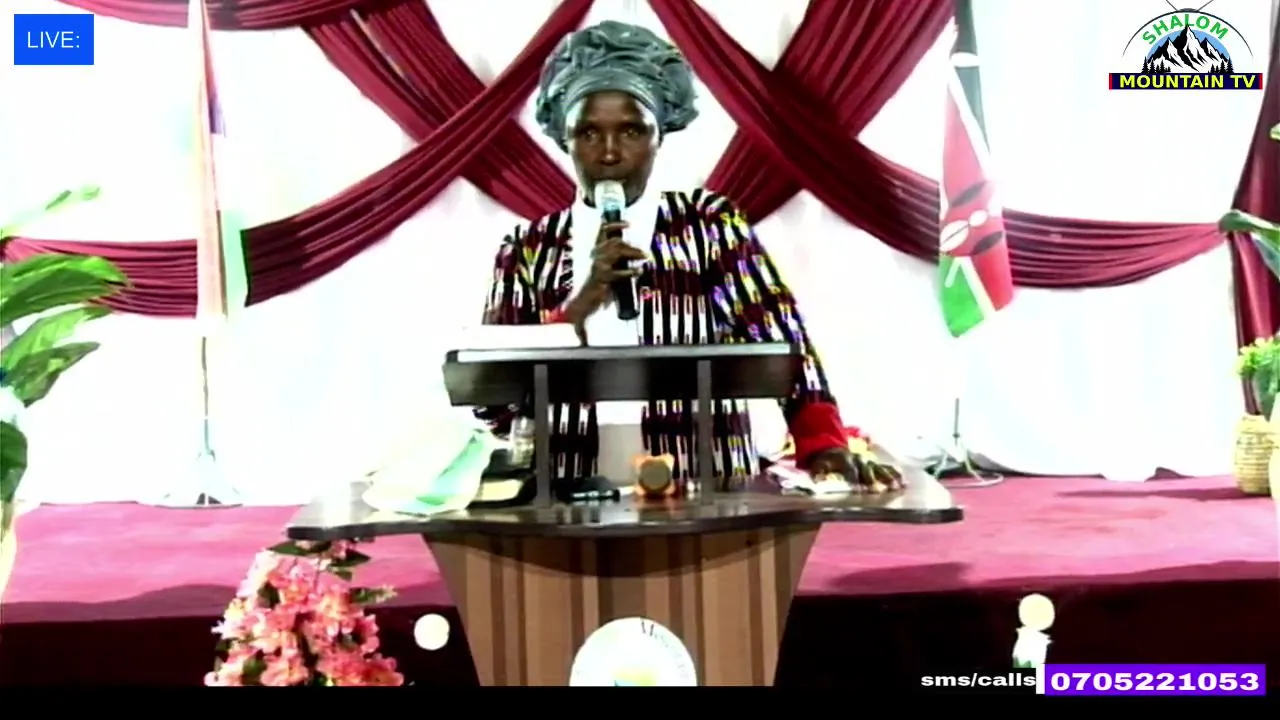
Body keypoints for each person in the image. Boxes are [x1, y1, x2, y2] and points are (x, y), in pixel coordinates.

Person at [477, 20, 902, 493]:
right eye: (589, 133)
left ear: (660, 135)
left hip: (702, 481)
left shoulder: (710, 226)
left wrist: (823, 445)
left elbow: (783, 340)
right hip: (566, 484)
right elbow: (492, 399)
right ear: (564, 139)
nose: (610, 153)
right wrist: (581, 304)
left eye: (632, 130)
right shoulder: (527, 248)